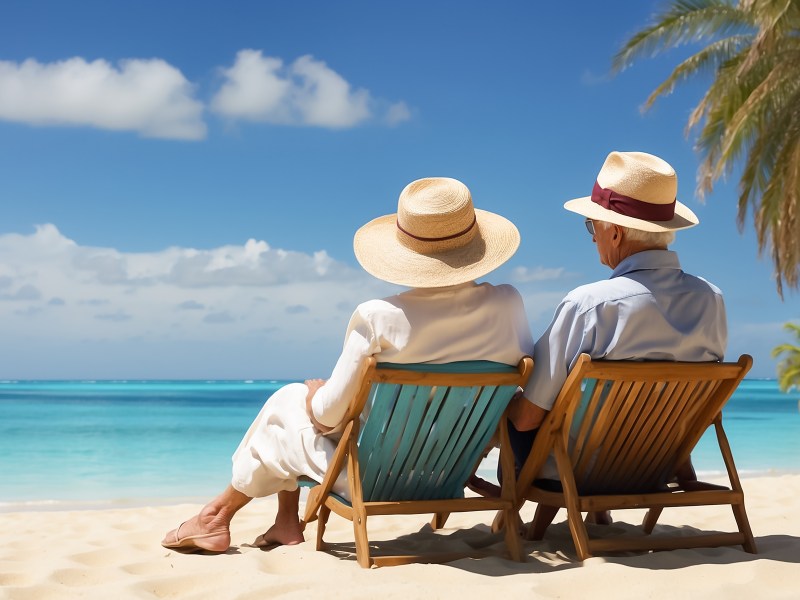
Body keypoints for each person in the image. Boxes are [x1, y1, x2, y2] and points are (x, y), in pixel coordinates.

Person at [161, 176, 534, 553]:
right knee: (287, 412)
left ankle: (217, 516)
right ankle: (281, 522)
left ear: (407, 251)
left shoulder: (379, 317)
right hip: (449, 470)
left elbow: (327, 418)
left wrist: (314, 394)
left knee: (289, 402)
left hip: (369, 479)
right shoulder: (508, 305)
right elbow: (520, 381)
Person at [506, 150, 726, 503]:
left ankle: (511, 522)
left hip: (573, 475)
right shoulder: (711, 300)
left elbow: (529, 418)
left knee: (514, 414)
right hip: (655, 470)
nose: (592, 236)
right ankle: (600, 515)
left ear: (616, 232)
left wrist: (501, 405)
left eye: (593, 225)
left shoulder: (590, 305)